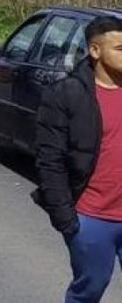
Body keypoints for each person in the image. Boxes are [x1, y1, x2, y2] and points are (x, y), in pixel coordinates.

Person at [33, 16, 122, 303]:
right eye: (120, 48)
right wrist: (66, 219)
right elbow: (50, 160)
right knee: (90, 288)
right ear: (95, 50)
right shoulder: (67, 94)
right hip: (92, 216)